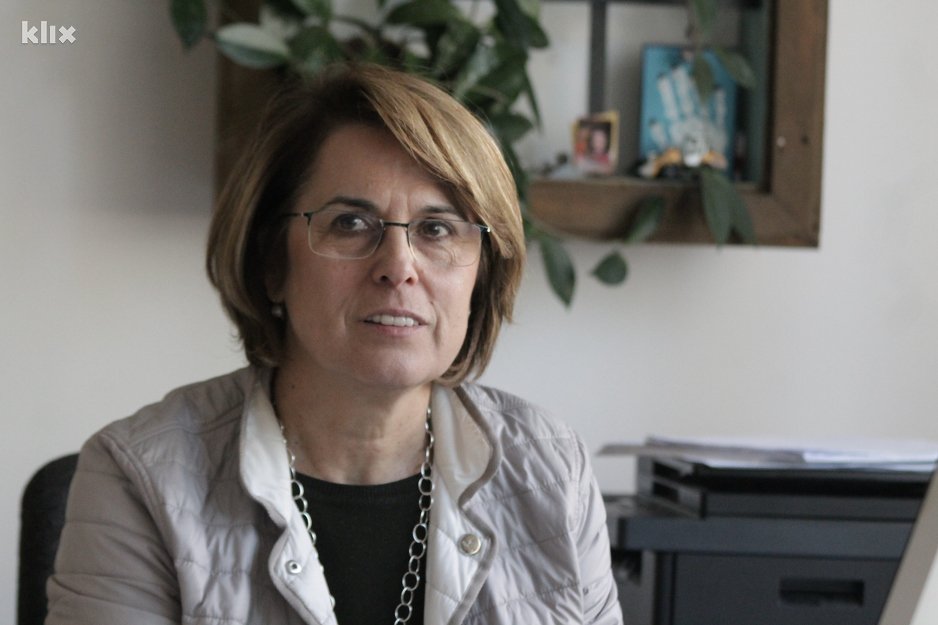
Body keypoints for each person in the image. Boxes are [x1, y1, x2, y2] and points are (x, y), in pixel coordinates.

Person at [46, 63, 623, 625]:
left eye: (437, 229)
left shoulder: (552, 470)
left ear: (482, 273)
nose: (399, 267)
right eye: (349, 223)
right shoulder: (140, 478)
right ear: (273, 263)